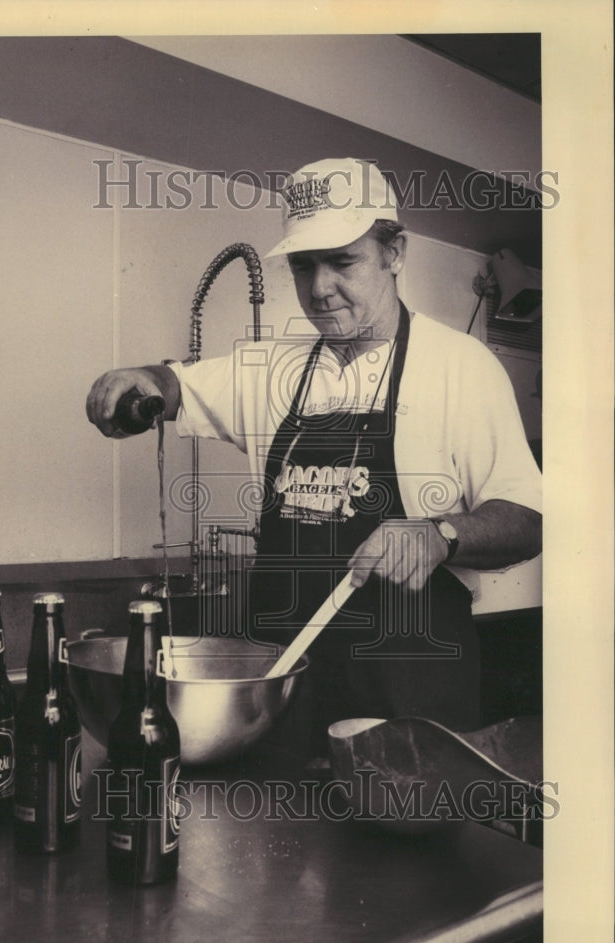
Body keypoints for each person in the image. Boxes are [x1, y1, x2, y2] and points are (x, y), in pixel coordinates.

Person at [86, 157, 542, 754]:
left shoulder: (460, 367)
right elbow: (176, 386)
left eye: (343, 262)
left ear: (395, 253)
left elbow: (529, 518)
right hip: (283, 703)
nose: (320, 288)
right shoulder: (273, 368)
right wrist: (138, 378)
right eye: (304, 267)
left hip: (409, 703)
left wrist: (441, 534)